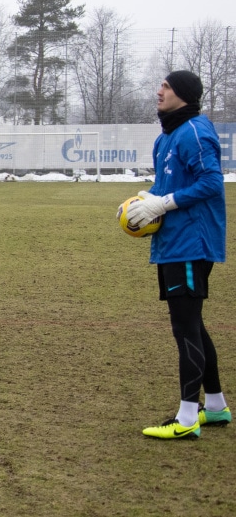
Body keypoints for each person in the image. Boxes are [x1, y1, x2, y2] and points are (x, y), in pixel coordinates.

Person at [126, 70, 230, 440]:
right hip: (172, 243)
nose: (159, 91)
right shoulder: (166, 137)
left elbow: (212, 182)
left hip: (191, 243)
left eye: (166, 87)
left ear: (183, 94)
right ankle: (215, 407)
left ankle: (187, 419)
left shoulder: (196, 131)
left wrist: (165, 203)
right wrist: (145, 203)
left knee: (184, 326)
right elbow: (165, 185)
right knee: (194, 325)